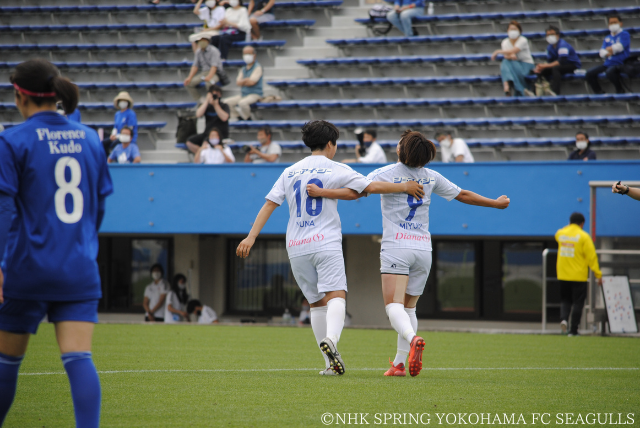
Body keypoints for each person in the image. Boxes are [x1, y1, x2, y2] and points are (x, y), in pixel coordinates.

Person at [309, 130, 510, 377]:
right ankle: (399, 364)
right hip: (423, 249)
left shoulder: (384, 173)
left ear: (401, 150)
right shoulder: (431, 176)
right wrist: (495, 203)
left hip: (397, 247)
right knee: (410, 308)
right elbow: (463, 195)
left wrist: (322, 192)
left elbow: (356, 192)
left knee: (393, 306)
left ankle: (413, 339)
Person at [236, 120, 426, 376]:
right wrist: (403, 186)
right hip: (325, 242)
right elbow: (369, 187)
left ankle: (329, 366)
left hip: (296, 245)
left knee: (315, 303)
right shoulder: (335, 167)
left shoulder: (290, 170)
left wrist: (250, 238)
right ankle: (332, 340)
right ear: (330, 144)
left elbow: (270, 204)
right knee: (336, 296)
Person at [0, 59, 113, 427]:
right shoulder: (91, 139)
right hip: (78, 268)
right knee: (79, 358)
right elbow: (97, 209)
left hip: (25, 268)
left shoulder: (13, 140)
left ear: (19, 94)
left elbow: (3, 212)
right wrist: (83, 249)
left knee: (6, 363)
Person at [555, 213, 602, 336]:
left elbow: (558, 235)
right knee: (578, 303)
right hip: (578, 276)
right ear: (582, 224)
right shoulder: (584, 237)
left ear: (570, 222)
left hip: (563, 274)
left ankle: (563, 319)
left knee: (565, 300)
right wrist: (598, 274)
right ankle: (573, 330)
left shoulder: (561, 234)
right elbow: (592, 257)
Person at [586, 16, 630, 95]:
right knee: (589, 73)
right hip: (608, 63)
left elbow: (620, 47)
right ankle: (599, 92)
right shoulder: (608, 37)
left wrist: (610, 49)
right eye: (611, 23)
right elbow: (602, 52)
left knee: (610, 72)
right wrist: (608, 51)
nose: (613, 24)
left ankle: (620, 90)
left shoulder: (624, 34)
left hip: (620, 63)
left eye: (615, 22)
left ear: (621, 23)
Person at [491, 21, 535, 97]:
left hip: (526, 65)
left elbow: (513, 51)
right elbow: (507, 56)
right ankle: (510, 87)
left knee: (507, 63)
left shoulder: (523, 40)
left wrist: (497, 51)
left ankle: (509, 86)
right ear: (507, 31)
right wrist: (510, 56)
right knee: (506, 61)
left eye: (515, 29)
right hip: (513, 64)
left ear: (519, 31)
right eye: (511, 29)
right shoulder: (505, 42)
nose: (512, 31)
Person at [533, 26, 581, 96]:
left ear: (557, 35)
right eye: (548, 35)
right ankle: (536, 92)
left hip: (571, 65)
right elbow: (550, 61)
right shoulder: (550, 47)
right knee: (542, 71)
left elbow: (561, 61)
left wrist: (546, 65)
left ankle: (555, 92)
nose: (550, 36)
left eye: (552, 34)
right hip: (559, 65)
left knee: (555, 69)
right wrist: (541, 67)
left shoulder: (563, 44)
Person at [185, 85, 230, 154]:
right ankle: (203, 157)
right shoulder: (207, 106)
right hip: (207, 133)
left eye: (216, 94)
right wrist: (206, 101)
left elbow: (224, 118)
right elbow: (198, 114)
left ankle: (206, 156)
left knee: (205, 142)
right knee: (189, 142)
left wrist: (216, 105)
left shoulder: (224, 106)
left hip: (221, 134)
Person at [225, 46, 263, 121]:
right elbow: (238, 82)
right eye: (245, 54)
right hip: (244, 94)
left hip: (255, 94)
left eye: (248, 53)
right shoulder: (243, 68)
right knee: (226, 103)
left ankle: (248, 119)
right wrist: (246, 80)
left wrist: (243, 81)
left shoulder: (257, 67)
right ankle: (239, 117)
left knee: (242, 103)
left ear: (254, 54)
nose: (246, 56)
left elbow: (252, 82)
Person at [184, 35, 224, 101]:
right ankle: (200, 100)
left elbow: (214, 66)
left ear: (208, 41)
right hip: (204, 72)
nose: (202, 42)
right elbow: (195, 66)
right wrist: (189, 77)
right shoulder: (198, 52)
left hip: (215, 73)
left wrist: (209, 76)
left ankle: (213, 100)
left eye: (203, 40)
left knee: (209, 83)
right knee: (189, 83)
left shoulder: (214, 50)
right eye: (200, 41)